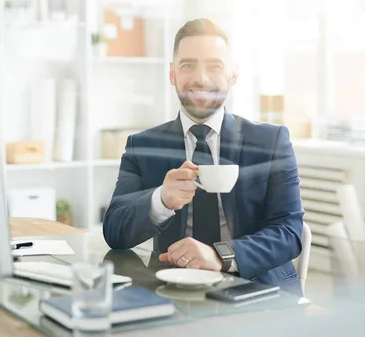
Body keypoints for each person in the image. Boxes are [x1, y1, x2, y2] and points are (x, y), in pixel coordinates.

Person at [102, 18, 304, 295]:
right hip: (170, 288)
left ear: (233, 75)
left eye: (214, 66)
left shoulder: (271, 142)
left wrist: (221, 256)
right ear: (173, 74)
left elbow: (289, 231)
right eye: (188, 65)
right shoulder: (142, 145)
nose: (201, 78)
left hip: (256, 290)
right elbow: (114, 232)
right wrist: (160, 200)